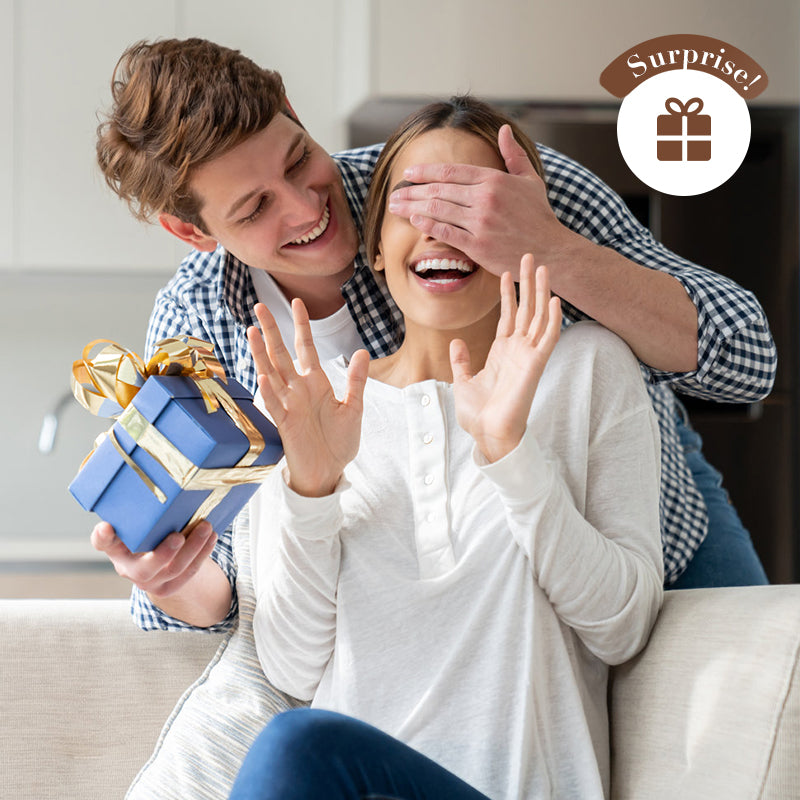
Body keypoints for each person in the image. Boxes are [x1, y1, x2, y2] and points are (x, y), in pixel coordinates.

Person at [91, 37, 772, 633]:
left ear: (295, 112)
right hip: (449, 608)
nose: (306, 207)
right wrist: (170, 574)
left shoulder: (473, 185)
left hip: (648, 519)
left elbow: (747, 359)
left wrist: (551, 247)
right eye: (255, 206)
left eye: (298, 161)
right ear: (192, 232)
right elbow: (221, 595)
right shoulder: (200, 331)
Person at [234, 96, 664, 799]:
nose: (441, 227)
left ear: (520, 235)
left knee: (294, 745)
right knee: (294, 739)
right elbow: (291, 667)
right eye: (414, 201)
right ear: (373, 245)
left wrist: (511, 456)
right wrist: (311, 486)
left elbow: (623, 630)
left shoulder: (585, 369)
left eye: (469, 204)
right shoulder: (320, 409)